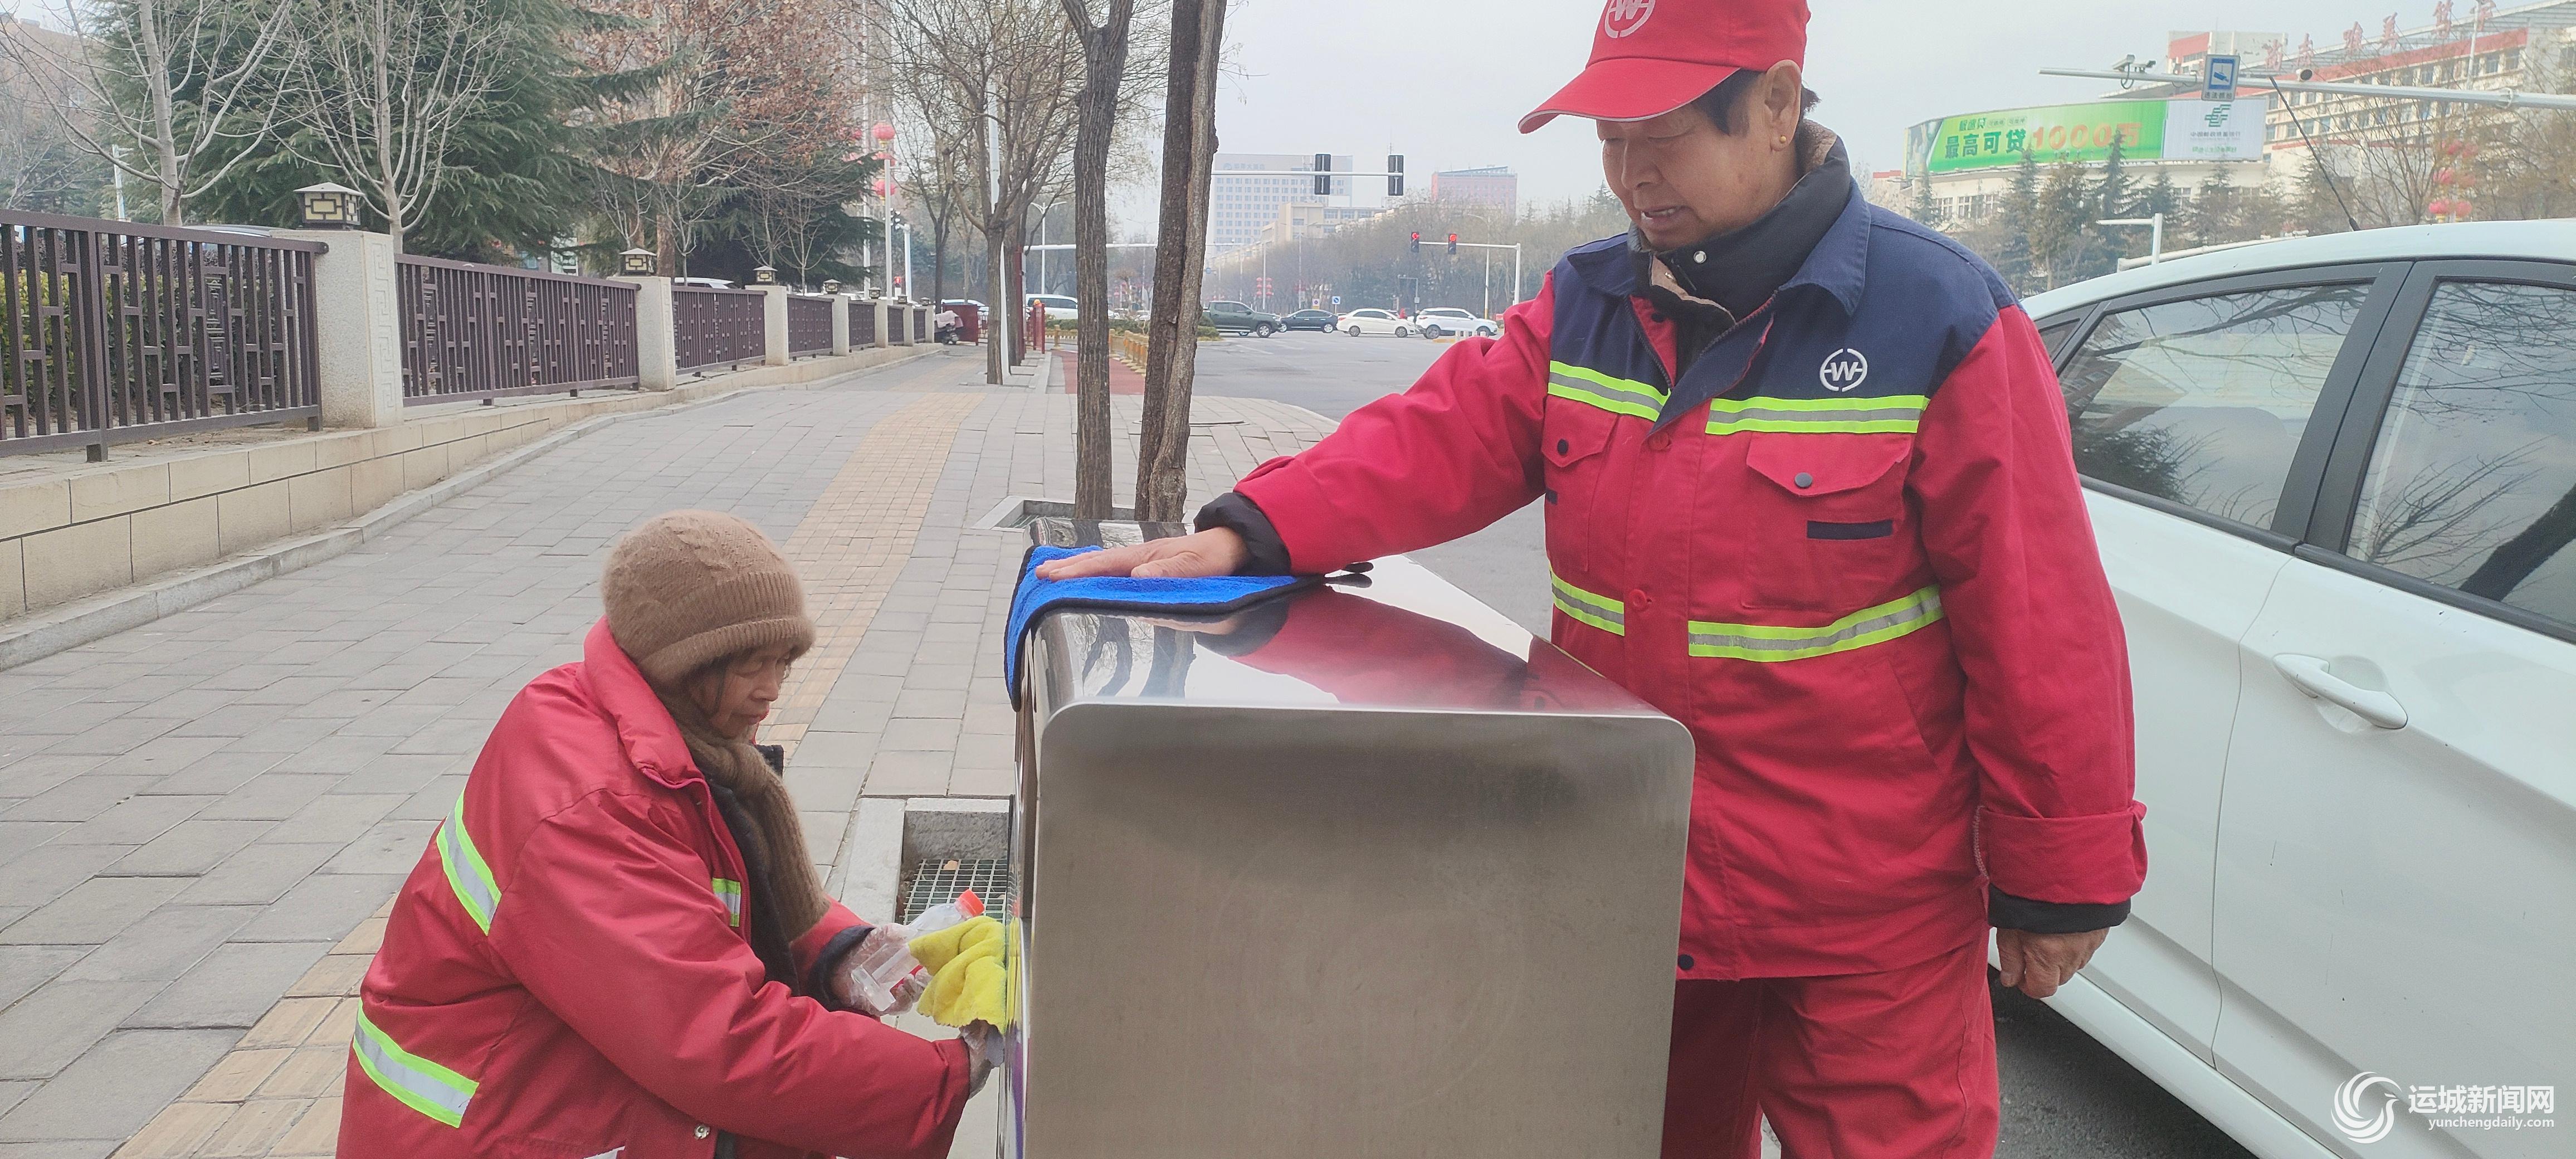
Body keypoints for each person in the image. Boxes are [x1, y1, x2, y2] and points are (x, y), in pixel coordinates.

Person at [1036, 1, 2146, 1155]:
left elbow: (2036, 619)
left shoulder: (1940, 320)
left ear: (1773, 106)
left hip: (1865, 911)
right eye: (1607, 140)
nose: (1627, 175)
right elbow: (1435, 436)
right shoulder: (1590, 306)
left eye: (1658, 136)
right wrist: (1251, 528)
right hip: (1635, 873)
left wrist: (2060, 875)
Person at [340, 511, 991, 1159]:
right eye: (750, 666)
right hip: (477, 1127)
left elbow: (704, 916)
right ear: (681, 661)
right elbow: (718, 1039)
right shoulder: (591, 802)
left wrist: (842, 951)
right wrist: (946, 1075)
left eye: (782, 663)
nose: (769, 691)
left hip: (547, 1077)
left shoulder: (664, 730)